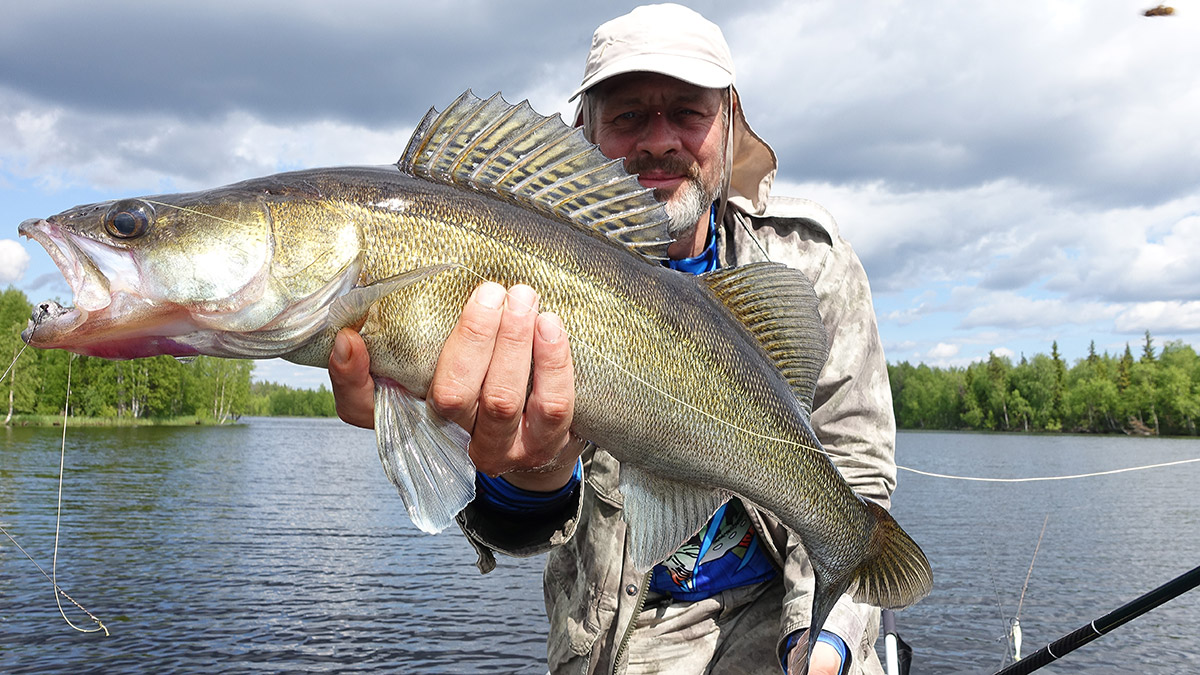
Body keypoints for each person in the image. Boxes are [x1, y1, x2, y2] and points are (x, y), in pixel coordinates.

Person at [329, 5, 897, 674]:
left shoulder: (809, 262)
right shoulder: (521, 255)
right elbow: (520, 525)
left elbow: (854, 466)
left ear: (730, 122)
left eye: (687, 112)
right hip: (618, 629)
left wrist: (824, 643)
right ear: (585, 133)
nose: (659, 140)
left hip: (777, 609)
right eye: (628, 117)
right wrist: (532, 469)